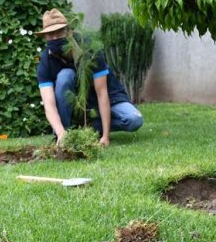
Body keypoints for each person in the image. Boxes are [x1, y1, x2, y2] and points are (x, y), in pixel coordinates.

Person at [36, 8, 143, 147]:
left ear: (69, 31)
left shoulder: (90, 50)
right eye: (50, 34)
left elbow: (102, 93)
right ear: (45, 37)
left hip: (109, 98)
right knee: (64, 76)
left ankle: (90, 128)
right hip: (78, 105)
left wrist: (105, 136)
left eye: (59, 32)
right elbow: (49, 105)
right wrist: (60, 133)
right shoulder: (45, 61)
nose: (55, 38)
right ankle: (67, 134)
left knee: (134, 120)